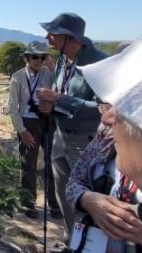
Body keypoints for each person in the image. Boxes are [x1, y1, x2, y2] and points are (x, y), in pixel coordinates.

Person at [78, 25, 142, 252]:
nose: (107, 117)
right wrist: (90, 200)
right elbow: (78, 178)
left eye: (122, 108)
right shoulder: (106, 138)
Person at [36, 13, 107, 236]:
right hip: (60, 137)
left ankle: (90, 245)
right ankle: (71, 240)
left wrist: (59, 99)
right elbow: (61, 93)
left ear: (70, 37)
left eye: (53, 32)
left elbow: (102, 109)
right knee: (64, 194)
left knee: (88, 200)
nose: (47, 37)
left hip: (86, 142)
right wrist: (50, 106)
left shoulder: (98, 63)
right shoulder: (61, 61)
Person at [8, 41, 61, 219]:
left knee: (52, 163)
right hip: (28, 123)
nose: (39, 60)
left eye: (43, 56)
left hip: (48, 121)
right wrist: (22, 130)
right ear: (27, 58)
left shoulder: (51, 74)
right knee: (28, 165)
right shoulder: (17, 77)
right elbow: (13, 108)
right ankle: (28, 203)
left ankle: (55, 203)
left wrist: (53, 67)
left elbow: (62, 89)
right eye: (35, 56)